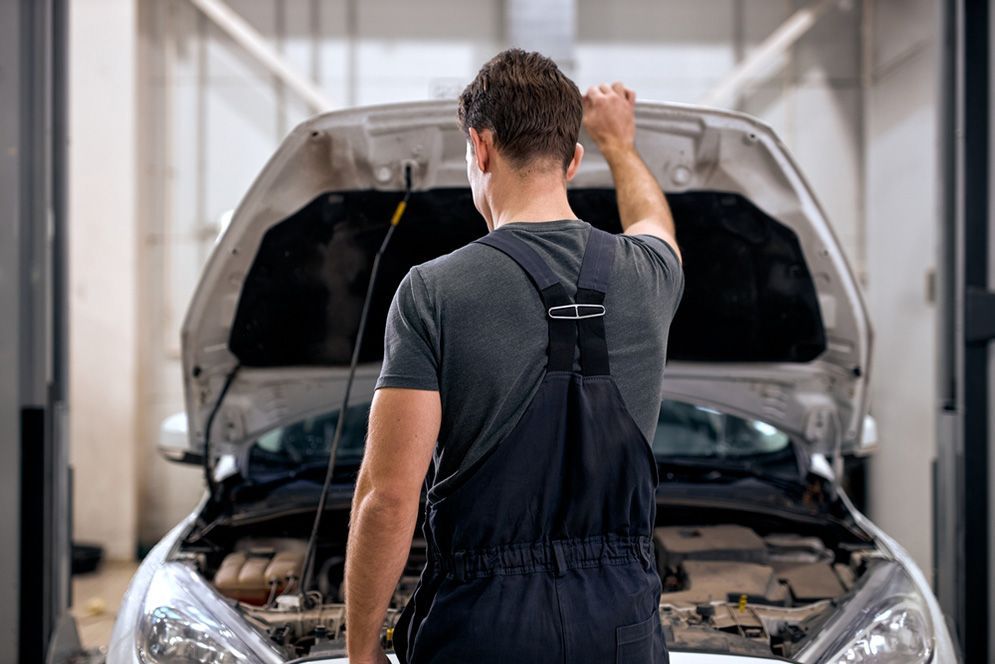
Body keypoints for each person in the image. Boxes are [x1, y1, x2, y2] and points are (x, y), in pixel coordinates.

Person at [344, 49, 684, 664]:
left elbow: (389, 495)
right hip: (621, 628)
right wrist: (620, 143)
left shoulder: (432, 292)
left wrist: (362, 649)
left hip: (483, 629)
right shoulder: (652, 275)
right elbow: (654, 223)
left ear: (480, 147)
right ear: (573, 160)